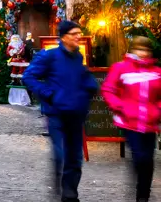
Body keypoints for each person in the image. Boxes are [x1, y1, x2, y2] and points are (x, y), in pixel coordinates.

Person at [23, 20, 100, 202]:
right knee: (61, 155)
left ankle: (70, 195)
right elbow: (29, 76)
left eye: (79, 34)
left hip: (76, 114)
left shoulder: (78, 57)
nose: (78, 37)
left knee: (75, 158)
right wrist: (48, 94)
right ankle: (60, 186)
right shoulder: (49, 57)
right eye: (74, 34)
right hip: (57, 113)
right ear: (64, 37)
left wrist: (89, 87)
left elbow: (82, 77)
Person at [102, 36, 161, 202]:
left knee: (148, 160)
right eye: (139, 49)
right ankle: (140, 190)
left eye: (146, 50)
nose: (142, 53)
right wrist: (120, 107)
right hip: (130, 122)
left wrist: (158, 109)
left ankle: (143, 196)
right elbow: (109, 89)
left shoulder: (157, 72)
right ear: (132, 50)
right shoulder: (121, 68)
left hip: (150, 123)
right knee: (140, 157)